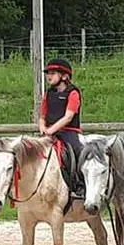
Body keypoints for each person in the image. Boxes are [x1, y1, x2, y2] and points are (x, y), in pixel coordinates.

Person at [37, 58, 85, 198]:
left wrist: (51, 130)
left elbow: (68, 117)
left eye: (53, 73)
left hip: (69, 132)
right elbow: (42, 116)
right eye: (48, 73)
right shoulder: (48, 94)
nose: (49, 76)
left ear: (64, 76)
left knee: (78, 152)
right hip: (49, 133)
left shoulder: (73, 93)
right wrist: (42, 127)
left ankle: (80, 184)